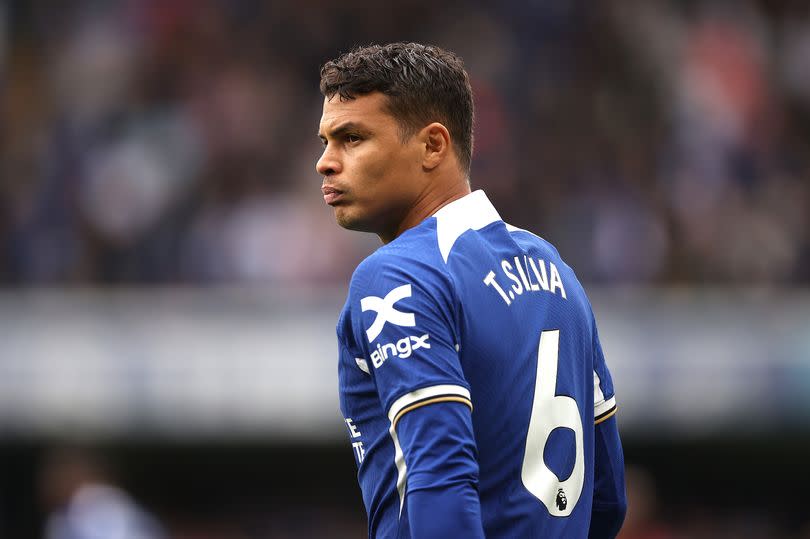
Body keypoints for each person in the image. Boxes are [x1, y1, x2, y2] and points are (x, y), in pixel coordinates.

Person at [316, 42, 626, 538]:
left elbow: (441, 479)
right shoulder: (557, 271)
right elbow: (608, 498)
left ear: (433, 146)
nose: (325, 163)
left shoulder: (400, 274)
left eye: (352, 138)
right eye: (326, 141)